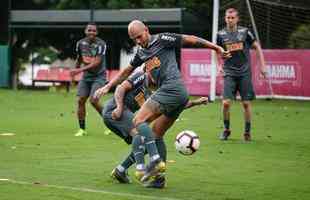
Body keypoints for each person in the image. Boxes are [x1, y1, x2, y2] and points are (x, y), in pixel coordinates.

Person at [95, 20, 230, 184]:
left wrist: (216, 48)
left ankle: (154, 160)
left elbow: (191, 39)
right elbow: (126, 71)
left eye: (139, 36)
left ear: (146, 30)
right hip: (179, 96)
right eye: (134, 39)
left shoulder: (162, 39)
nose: (138, 41)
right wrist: (108, 85)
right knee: (156, 135)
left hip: (171, 88)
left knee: (138, 120)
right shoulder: (141, 53)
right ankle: (158, 180)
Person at [103, 70, 209, 187]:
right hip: (114, 111)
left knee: (150, 139)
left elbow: (173, 105)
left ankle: (121, 170)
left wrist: (195, 103)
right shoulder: (141, 77)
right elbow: (120, 88)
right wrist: (118, 107)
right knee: (144, 136)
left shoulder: (156, 92)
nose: (157, 75)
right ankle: (142, 168)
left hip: (125, 116)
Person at [216, 8, 267, 141]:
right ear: (225, 18)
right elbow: (216, 50)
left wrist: (263, 66)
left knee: (245, 104)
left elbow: (257, 47)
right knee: (226, 103)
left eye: (232, 17)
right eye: (228, 17)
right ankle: (226, 130)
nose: (230, 20)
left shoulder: (245, 32)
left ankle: (247, 132)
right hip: (229, 72)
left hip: (244, 73)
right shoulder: (220, 34)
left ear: (237, 19)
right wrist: (218, 66)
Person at [70, 22, 107, 136]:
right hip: (86, 77)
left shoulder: (101, 44)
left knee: (93, 100)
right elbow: (79, 59)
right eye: (89, 30)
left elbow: (96, 63)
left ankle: (110, 124)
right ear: (85, 31)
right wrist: (74, 75)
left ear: (97, 32)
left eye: (94, 31)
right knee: (81, 100)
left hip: (99, 76)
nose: (91, 32)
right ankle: (82, 129)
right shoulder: (80, 43)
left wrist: (79, 70)